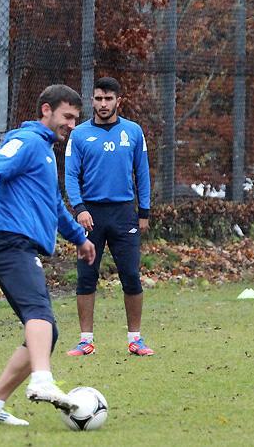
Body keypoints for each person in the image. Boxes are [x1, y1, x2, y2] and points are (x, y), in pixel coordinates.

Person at [0, 84, 96, 426]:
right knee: (39, 314)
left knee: (46, 332)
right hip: (10, 242)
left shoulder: (46, 151)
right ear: (46, 110)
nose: (71, 124)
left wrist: (79, 239)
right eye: (67, 116)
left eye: (75, 119)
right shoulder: (26, 142)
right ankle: (42, 379)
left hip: (20, 245)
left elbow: (53, 205)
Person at [64, 77, 153, 357]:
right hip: (91, 215)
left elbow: (142, 172)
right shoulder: (79, 134)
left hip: (124, 213)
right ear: (92, 101)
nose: (103, 104)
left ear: (118, 101)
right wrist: (80, 209)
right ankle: (85, 341)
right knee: (86, 277)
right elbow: (70, 175)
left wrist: (144, 211)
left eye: (109, 99)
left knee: (131, 275)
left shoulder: (133, 131)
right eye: (99, 98)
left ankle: (135, 339)